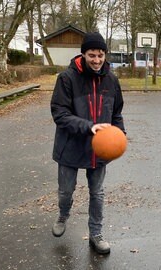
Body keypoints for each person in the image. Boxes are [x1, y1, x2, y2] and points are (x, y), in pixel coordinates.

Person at [50, 32, 125, 254]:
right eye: (92, 54)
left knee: (97, 193)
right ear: (83, 54)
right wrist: (89, 126)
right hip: (70, 146)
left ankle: (96, 234)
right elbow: (60, 113)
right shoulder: (66, 78)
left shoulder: (111, 80)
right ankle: (63, 215)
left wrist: (119, 134)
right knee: (66, 191)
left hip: (98, 150)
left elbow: (116, 113)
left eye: (101, 55)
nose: (97, 60)